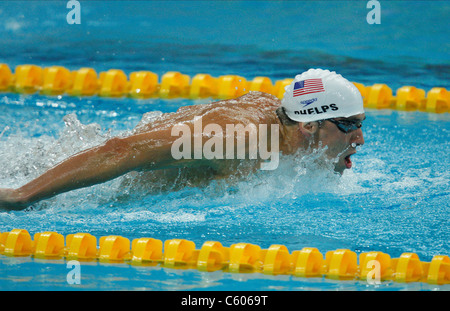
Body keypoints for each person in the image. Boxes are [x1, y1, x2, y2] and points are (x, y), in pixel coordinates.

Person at [0, 68, 365, 211]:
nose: (360, 139)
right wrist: (22, 195)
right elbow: (122, 150)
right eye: (349, 126)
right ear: (309, 126)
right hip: (85, 185)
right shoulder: (240, 139)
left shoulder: (285, 129)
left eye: (361, 125)